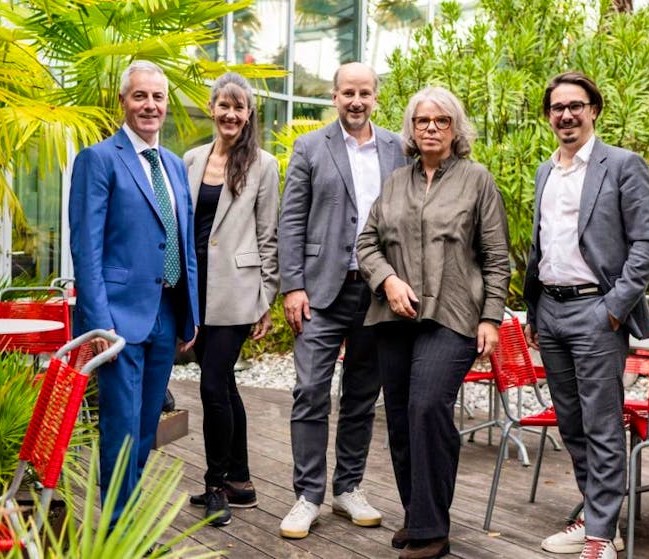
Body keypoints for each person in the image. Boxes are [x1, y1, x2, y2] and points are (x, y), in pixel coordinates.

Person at [357, 86, 510, 559]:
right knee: (401, 420)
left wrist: (491, 319)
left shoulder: (477, 180)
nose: (430, 128)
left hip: (454, 315)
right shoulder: (395, 182)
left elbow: (497, 257)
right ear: (410, 128)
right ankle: (417, 514)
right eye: (422, 120)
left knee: (427, 408)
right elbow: (366, 244)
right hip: (394, 316)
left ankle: (432, 530)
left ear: (455, 128)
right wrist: (388, 282)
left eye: (441, 121)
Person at [523, 72, 649, 559]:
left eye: (576, 105)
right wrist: (534, 311)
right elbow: (542, 247)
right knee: (572, 424)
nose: (566, 115)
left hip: (596, 312)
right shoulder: (546, 171)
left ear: (594, 110)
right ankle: (597, 516)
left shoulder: (622, 165)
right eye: (557, 107)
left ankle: (601, 539)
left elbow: (648, 244)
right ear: (548, 116)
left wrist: (613, 308)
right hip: (551, 311)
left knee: (602, 425)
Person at [277, 61, 407, 540]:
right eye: (348, 92)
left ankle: (347, 487)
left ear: (376, 97)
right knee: (310, 391)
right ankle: (307, 495)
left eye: (365, 93)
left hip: (377, 293)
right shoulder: (310, 147)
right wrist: (293, 285)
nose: (356, 100)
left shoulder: (399, 147)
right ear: (334, 97)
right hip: (320, 291)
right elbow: (290, 221)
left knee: (361, 396)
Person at [69, 60, 199, 527]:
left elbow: (182, 242)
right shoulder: (99, 159)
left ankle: (127, 517)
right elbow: (86, 251)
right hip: (118, 320)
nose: (150, 105)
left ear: (166, 103)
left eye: (158, 97)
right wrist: (98, 323)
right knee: (121, 426)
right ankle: (118, 531)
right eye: (140, 96)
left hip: (167, 312)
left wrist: (192, 312)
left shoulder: (175, 166)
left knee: (146, 426)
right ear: (123, 101)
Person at [182, 72, 280, 527]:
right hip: (195, 290)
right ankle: (241, 480)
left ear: (249, 113)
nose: (230, 114)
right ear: (212, 107)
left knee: (211, 384)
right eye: (224, 105)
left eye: (239, 107)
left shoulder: (264, 164)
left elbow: (269, 236)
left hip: (238, 291)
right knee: (222, 384)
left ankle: (216, 483)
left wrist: (266, 297)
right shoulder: (190, 158)